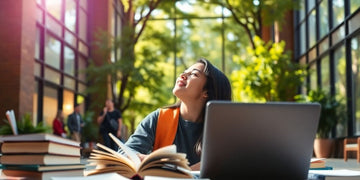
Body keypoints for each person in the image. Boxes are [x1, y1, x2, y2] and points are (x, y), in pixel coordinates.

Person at [124, 58, 232, 170]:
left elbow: (230, 163)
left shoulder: (221, 132)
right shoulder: (159, 118)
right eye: (185, 70)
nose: (183, 74)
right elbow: (125, 152)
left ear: (207, 92)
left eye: (194, 74)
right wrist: (156, 162)